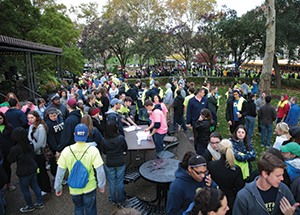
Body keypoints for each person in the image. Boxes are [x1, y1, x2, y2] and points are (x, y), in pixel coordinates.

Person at [55, 123, 106, 215]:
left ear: (74, 134)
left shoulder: (66, 150)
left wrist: (57, 187)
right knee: (91, 209)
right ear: (87, 134)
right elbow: (100, 171)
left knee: (78, 208)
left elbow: (60, 173)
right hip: (90, 186)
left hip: (74, 187)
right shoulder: (93, 150)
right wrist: (101, 185)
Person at [232, 152, 300, 215]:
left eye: (282, 175)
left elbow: (296, 211)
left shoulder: (283, 189)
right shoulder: (244, 196)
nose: (282, 178)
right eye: (278, 176)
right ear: (265, 174)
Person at [7, 127, 44, 213]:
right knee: (35, 186)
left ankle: (30, 205)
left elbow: (10, 159)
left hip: (23, 172)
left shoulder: (15, 149)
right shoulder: (29, 144)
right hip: (33, 169)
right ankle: (40, 202)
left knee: (25, 190)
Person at [208, 139, 244, 215]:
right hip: (230, 201)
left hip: (214, 198)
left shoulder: (211, 165)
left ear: (219, 151)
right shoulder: (236, 170)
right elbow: (240, 188)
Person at [101, 121, 128, 204]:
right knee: (120, 181)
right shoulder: (120, 138)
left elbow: (104, 152)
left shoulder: (104, 140)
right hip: (120, 161)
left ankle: (113, 199)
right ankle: (121, 199)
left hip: (110, 162)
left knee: (112, 181)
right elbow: (125, 148)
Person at [27, 111, 52, 195]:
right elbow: (29, 138)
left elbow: (41, 142)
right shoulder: (31, 127)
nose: (30, 120)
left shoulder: (41, 128)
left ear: (36, 117)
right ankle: (41, 186)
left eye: (32, 117)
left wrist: (33, 151)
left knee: (42, 170)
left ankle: (46, 188)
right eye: (29, 118)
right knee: (38, 171)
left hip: (39, 153)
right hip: (34, 152)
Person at [45, 108, 64, 178]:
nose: (53, 117)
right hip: (54, 147)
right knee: (54, 163)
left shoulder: (61, 120)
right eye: (51, 116)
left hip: (62, 144)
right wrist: (56, 149)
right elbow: (50, 138)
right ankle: (55, 175)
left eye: (54, 115)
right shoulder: (48, 124)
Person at [0, 112, 15, 191]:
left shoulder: (9, 127)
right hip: (0, 154)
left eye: (1, 118)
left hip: (7, 152)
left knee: (7, 167)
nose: (0, 121)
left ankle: (8, 182)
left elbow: (13, 138)